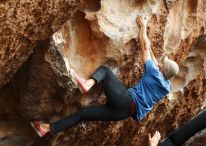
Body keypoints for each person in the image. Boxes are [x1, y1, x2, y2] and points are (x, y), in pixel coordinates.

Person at [30, 16, 179, 146]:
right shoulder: (166, 86)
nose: (159, 63)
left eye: (162, 64)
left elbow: (145, 48)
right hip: (123, 113)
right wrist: (151, 48)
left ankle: (87, 84)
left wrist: (143, 27)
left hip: (125, 101)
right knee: (82, 115)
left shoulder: (154, 72)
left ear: (161, 70)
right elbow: (154, 59)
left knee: (106, 72)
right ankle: (46, 128)